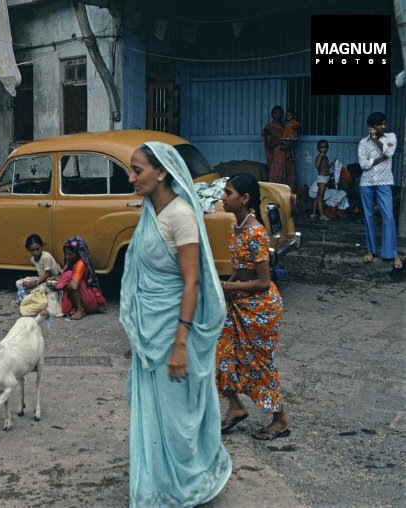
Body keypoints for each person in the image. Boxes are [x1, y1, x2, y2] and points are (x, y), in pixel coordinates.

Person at [121, 142, 231, 506]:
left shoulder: (180, 215)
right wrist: (136, 328)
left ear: (162, 172)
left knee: (175, 419)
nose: (131, 177)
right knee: (153, 415)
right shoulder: (151, 210)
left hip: (172, 332)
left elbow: (191, 281)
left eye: (138, 170)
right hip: (150, 333)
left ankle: (187, 485)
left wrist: (181, 343)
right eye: (131, 170)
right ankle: (157, 487)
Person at [216, 173, 290, 441]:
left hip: (260, 308)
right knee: (222, 354)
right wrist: (228, 286)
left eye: (228, 192)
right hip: (239, 304)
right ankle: (235, 407)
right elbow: (240, 270)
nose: (223, 197)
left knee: (260, 364)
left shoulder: (255, 231)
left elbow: (263, 281)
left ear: (244, 199)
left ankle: (280, 420)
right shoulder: (235, 228)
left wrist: (229, 288)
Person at [357, 112, 402, 269]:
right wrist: (380, 159)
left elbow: (389, 153)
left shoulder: (391, 137)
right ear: (371, 127)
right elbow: (363, 165)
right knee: (369, 216)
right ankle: (371, 251)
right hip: (366, 183)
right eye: (380, 124)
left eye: (384, 123)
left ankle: (392, 253)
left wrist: (376, 139)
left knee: (388, 216)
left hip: (384, 182)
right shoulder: (363, 143)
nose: (383, 126)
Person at [50, 236, 107, 320]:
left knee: (69, 276)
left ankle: (80, 309)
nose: (67, 257)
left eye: (70, 254)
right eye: (65, 254)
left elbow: (73, 286)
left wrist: (58, 287)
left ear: (79, 253)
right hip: (84, 295)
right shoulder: (71, 262)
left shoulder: (81, 263)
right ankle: (76, 308)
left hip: (89, 301)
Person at [17, 234, 62, 302]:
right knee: (19, 282)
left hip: (52, 280)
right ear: (28, 250)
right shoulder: (33, 259)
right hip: (41, 280)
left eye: (37, 249)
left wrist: (35, 284)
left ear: (42, 247)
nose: (35, 252)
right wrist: (33, 282)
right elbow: (41, 275)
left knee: (36, 291)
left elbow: (47, 275)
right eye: (32, 250)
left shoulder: (46, 257)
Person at [262, 105, 295, 188]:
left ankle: (287, 197)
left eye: (280, 113)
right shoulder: (269, 128)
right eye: (276, 113)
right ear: (272, 114)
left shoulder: (286, 127)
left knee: (289, 175)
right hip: (277, 156)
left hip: (287, 155)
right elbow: (268, 145)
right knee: (277, 176)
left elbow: (292, 138)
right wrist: (281, 141)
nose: (278, 115)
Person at [311, 139, 332, 220]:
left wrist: (332, 163)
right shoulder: (320, 156)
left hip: (325, 178)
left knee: (318, 196)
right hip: (322, 179)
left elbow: (326, 167)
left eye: (326, 147)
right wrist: (320, 155)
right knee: (320, 197)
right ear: (318, 149)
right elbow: (316, 166)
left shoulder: (325, 157)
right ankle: (322, 215)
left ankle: (313, 213)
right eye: (321, 147)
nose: (324, 149)